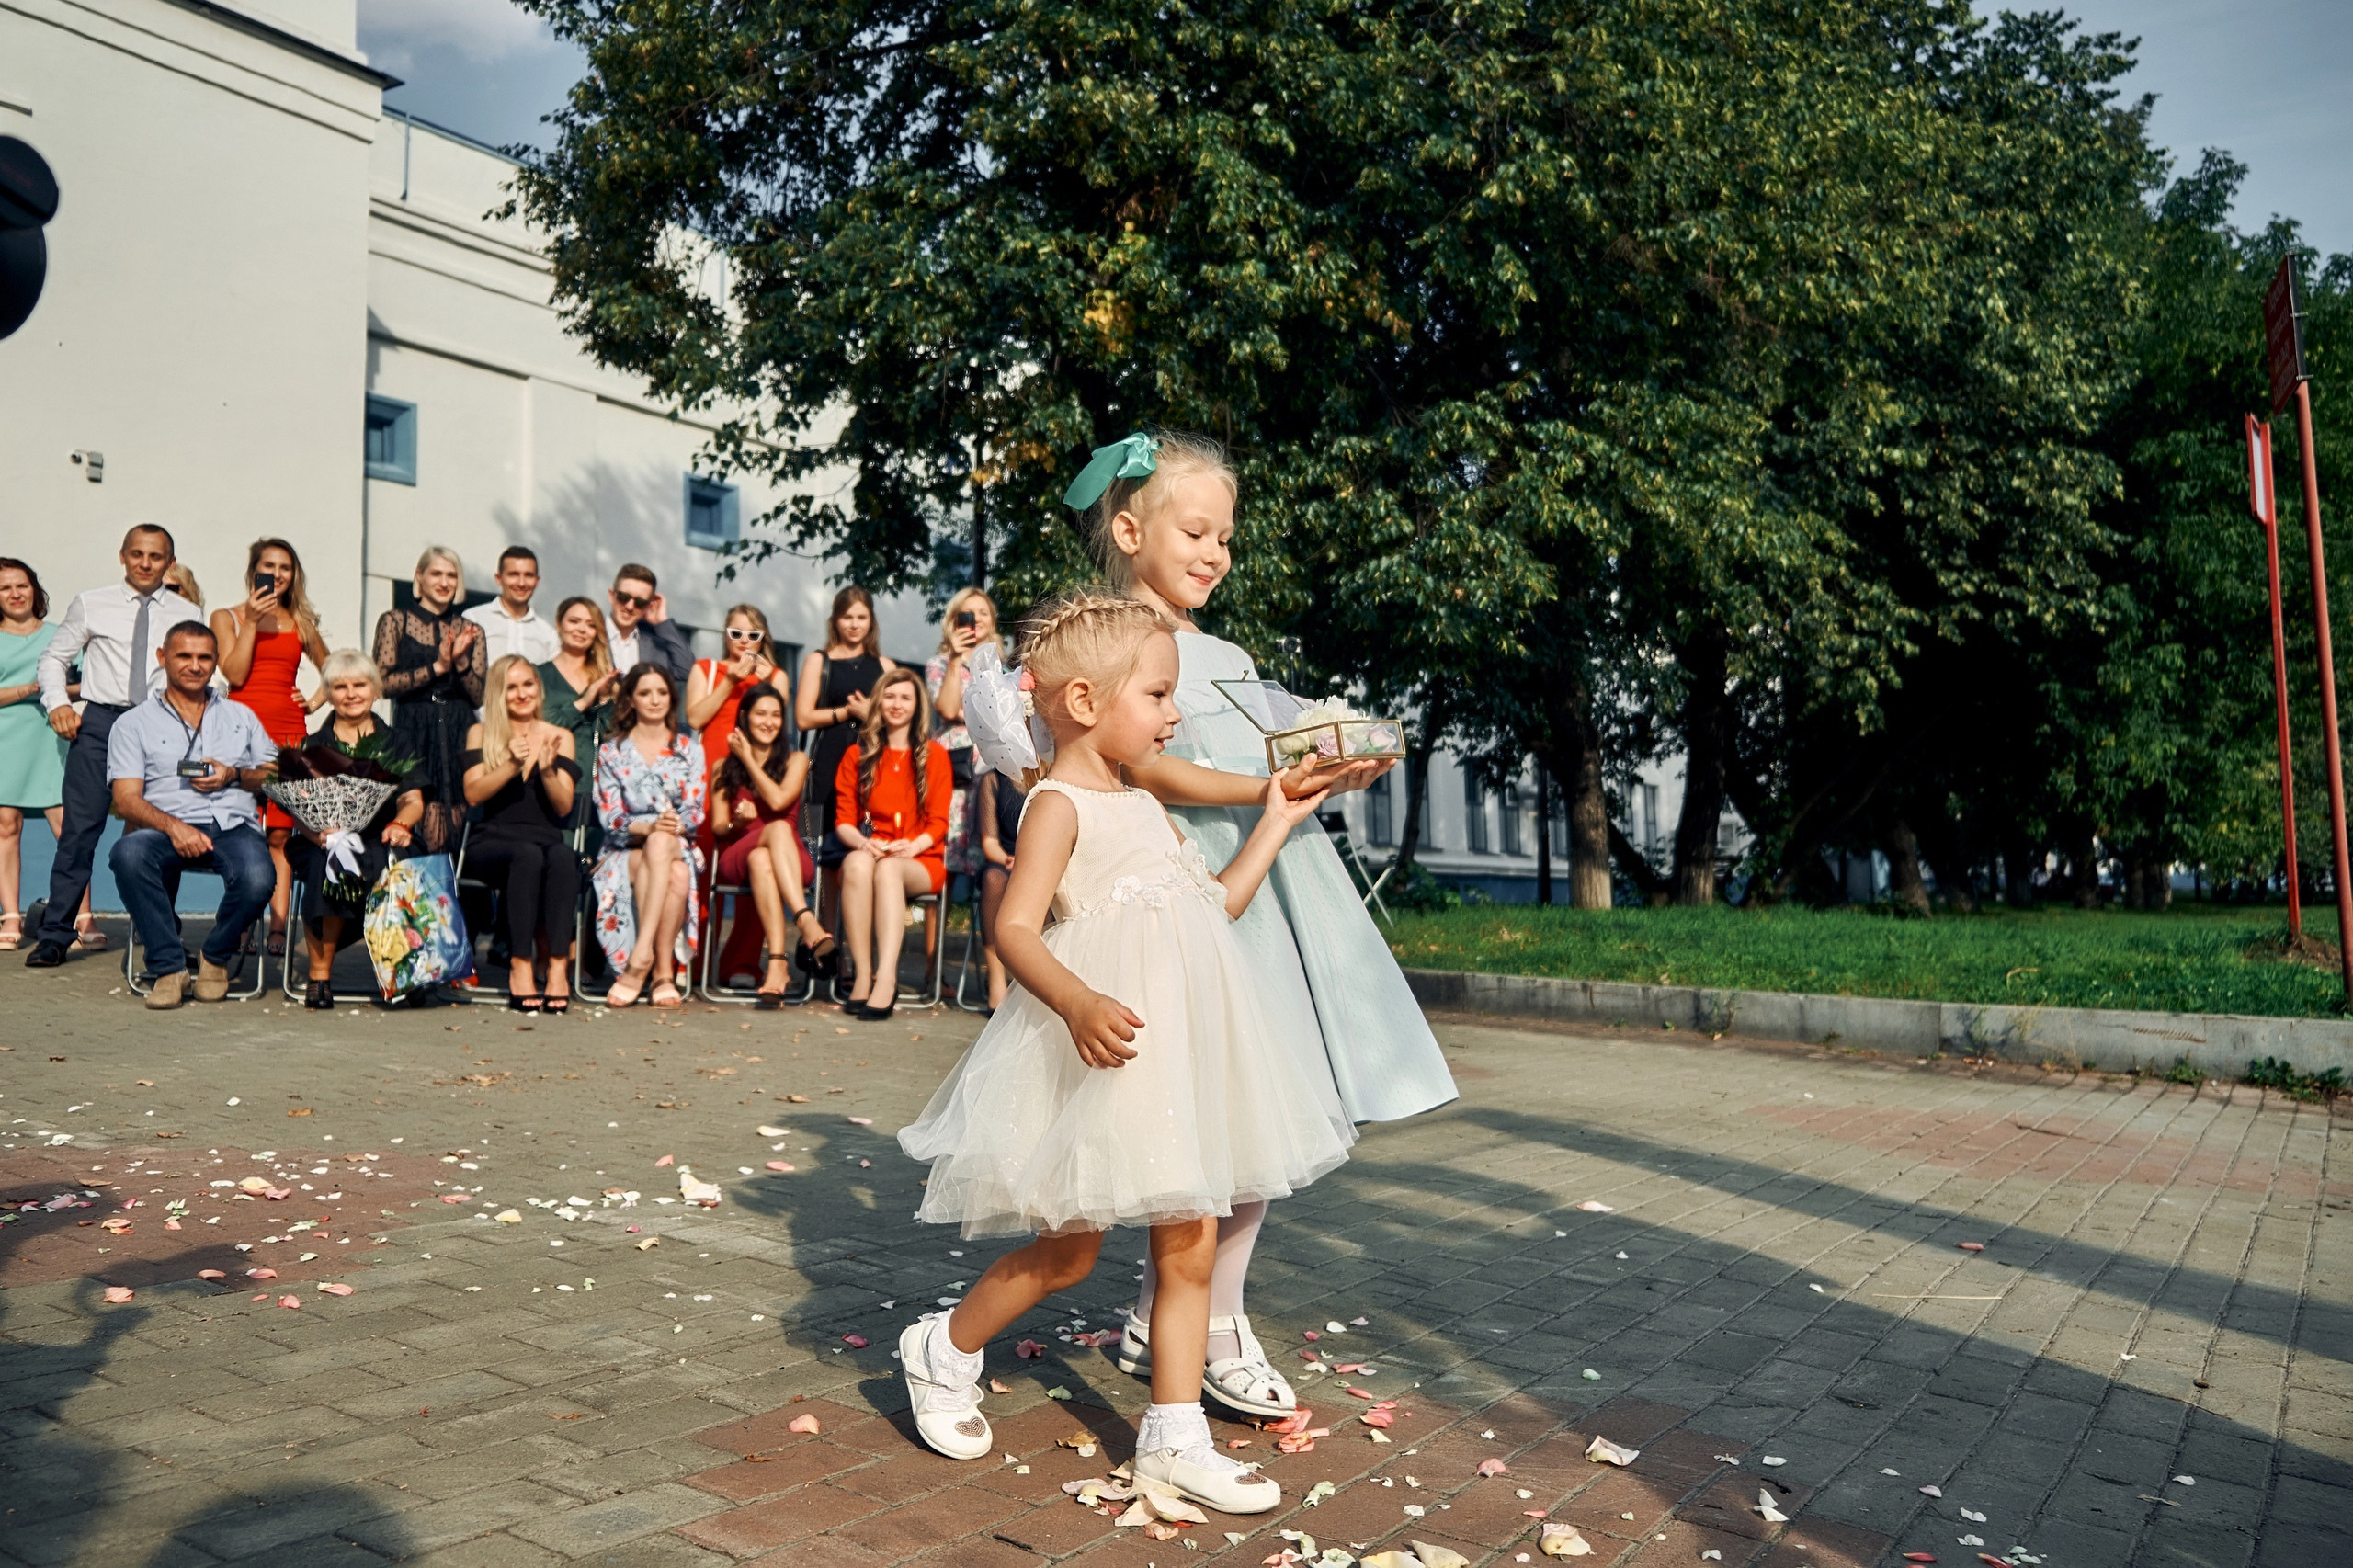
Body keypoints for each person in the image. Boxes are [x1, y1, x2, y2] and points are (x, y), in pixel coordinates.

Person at [892, 591, 1349, 1517]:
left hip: (1176, 1048)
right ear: (1084, 702)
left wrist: (1275, 821)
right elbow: (1016, 928)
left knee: (1187, 1238)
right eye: (1158, 693)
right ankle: (942, 1344)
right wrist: (1075, 999)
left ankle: (1175, 1439)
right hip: (1108, 1045)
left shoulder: (1143, 796)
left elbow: (1211, 906)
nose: (1173, 713)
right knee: (1067, 1251)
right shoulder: (1057, 806)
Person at [1068, 431, 1457, 1418]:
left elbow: (1272, 738)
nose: (1213, 552)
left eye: (1225, 537)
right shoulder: (1110, 641)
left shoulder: (1229, 654)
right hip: (1187, 890)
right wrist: (1269, 782)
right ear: (1128, 528)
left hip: (1267, 893)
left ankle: (1183, 1310)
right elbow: (1153, 769)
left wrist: (1334, 756)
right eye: (1193, 530)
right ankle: (1210, 1320)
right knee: (1221, 1117)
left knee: (1260, 1107)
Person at [25, 524, 202, 968]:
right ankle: (55, 935)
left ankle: (159, 932)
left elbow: (196, 672)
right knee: (80, 832)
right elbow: (53, 658)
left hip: (161, 727)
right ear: (122, 556)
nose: (146, 563)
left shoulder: (187, 611)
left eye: (156, 556)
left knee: (160, 831)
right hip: (101, 724)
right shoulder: (92, 603)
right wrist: (57, 705)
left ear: (170, 562)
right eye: (137, 554)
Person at [103, 621, 278, 1009]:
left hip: (233, 825)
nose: (195, 666)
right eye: (184, 656)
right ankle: (168, 967)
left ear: (216, 663)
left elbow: (273, 777)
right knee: (127, 855)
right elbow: (127, 799)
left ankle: (215, 957)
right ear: (163, 658)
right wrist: (174, 827)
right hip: (165, 826)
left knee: (258, 877)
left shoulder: (241, 716)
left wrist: (234, 774)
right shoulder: (132, 724)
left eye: (204, 658)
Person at [285, 651, 425, 1010]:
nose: (350, 693)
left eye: (359, 685)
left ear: (375, 689)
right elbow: (298, 807)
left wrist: (401, 823)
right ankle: (319, 975)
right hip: (325, 839)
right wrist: (315, 831)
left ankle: (404, 972)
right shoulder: (313, 746)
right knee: (325, 865)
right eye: (339, 686)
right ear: (328, 693)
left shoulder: (397, 741)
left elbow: (413, 799)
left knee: (400, 860)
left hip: (384, 835)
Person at [213, 538, 332, 958]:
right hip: (239, 731)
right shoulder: (226, 616)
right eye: (269, 566)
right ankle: (243, 921)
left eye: (285, 567)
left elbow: (334, 669)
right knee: (243, 831)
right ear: (254, 571)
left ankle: (279, 927)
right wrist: (250, 621)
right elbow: (235, 672)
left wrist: (315, 701)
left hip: (287, 731)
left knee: (280, 832)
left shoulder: (301, 624)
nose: (278, 575)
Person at [462, 655, 582, 1013]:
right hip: (493, 841)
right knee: (527, 855)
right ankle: (521, 963)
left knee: (564, 856)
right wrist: (512, 764)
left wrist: (546, 772)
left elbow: (563, 808)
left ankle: (558, 966)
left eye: (527, 684)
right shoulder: (482, 733)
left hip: (545, 841)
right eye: (511, 687)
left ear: (538, 688)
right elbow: (473, 794)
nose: (521, 693)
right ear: (499, 693)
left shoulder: (561, 736)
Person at [832, 666, 950, 1021]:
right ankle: (863, 975)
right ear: (879, 701)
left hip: (920, 858)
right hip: (876, 848)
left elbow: (939, 822)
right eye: (890, 696)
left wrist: (911, 846)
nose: (896, 704)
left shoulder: (934, 755)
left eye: (905, 697)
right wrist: (863, 844)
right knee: (855, 863)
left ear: (917, 706)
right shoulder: (858, 756)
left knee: (887, 870)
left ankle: (887, 977)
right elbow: (844, 821)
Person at [591, 664, 704, 1007]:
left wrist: (669, 827)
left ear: (672, 698)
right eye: (644, 693)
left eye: (662, 692)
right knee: (676, 872)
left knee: (666, 847)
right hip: (624, 850)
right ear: (630, 700)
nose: (654, 700)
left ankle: (641, 959)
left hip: (674, 839)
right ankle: (661, 973)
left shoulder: (689, 748)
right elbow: (610, 816)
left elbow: (695, 810)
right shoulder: (611, 752)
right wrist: (647, 827)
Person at [710, 685, 830, 1006]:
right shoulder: (723, 767)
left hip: (788, 857)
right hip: (737, 853)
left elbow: (778, 800)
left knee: (764, 856)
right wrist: (737, 821)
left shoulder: (797, 760)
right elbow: (720, 828)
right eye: (761, 714)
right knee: (770, 836)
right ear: (745, 717)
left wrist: (748, 759)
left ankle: (777, 964)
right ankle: (805, 921)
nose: (769, 721)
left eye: (776, 715)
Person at [372, 546, 485, 855]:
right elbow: (382, 684)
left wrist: (459, 661)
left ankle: (444, 899)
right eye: (436, 573)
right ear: (419, 577)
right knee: (412, 822)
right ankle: (412, 899)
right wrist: (438, 666)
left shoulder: (469, 629)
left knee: (450, 838)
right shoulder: (395, 621)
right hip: (413, 729)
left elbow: (478, 695)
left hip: (458, 730)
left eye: (452, 575)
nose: (444, 582)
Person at [0, 559, 82, 951]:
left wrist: (59, 693)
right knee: (6, 827)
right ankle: (11, 916)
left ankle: (82, 916)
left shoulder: (58, 635)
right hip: (5, 739)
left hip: (50, 737)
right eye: (5, 588)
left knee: (68, 828)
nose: (15, 594)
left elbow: (84, 682)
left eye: (22, 585)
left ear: (35, 589)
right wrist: (34, 687)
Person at [796, 587, 893, 898]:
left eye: (861, 617)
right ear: (835, 620)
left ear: (871, 621)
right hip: (830, 756)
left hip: (872, 757)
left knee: (867, 840)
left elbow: (898, 719)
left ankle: (855, 926)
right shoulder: (819, 660)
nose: (854, 624)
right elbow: (803, 717)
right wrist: (846, 712)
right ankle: (827, 929)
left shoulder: (885, 666)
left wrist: (871, 716)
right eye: (847, 617)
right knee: (827, 845)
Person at [926, 586, 1002, 892]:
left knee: (987, 852)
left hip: (988, 765)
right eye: (970, 613)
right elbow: (946, 708)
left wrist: (967, 712)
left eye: (984, 612)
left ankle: (981, 936)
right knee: (946, 859)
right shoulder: (941, 663)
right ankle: (935, 940)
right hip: (954, 766)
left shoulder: (999, 665)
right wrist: (957, 659)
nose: (978, 620)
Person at [973, 767, 1025, 1011]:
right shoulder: (993, 780)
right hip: (1003, 860)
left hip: (1043, 860)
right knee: (993, 879)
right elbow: (990, 842)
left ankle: (1028, 978)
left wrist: (1030, 861)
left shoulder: (1053, 775)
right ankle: (996, 978)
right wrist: (1009, 860)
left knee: (1041, 881)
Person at [463, 545, 561, 666]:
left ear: (537, 581)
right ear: (499, 578)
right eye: (514, 575)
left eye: (528, 575)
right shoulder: (474, 619)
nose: (521, 583)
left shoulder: (548, 634)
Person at [603, 564, 691, 687]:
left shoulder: (656, 646)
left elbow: (687, 672)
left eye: (640, 602)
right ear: (611, 595)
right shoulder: (590, 634)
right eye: (624, 597)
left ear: (648, 607)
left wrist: (662, 622)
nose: (629, 606)